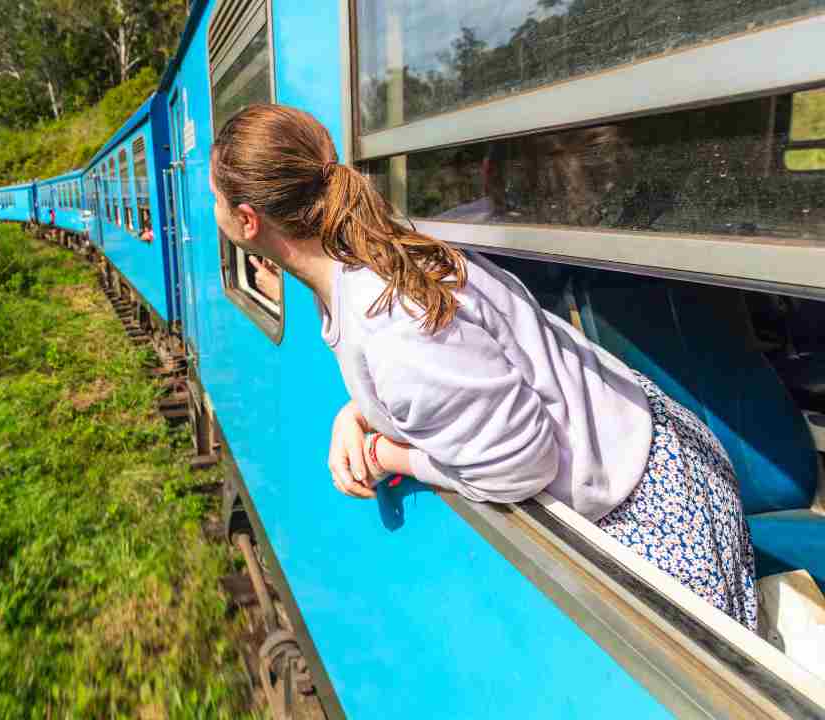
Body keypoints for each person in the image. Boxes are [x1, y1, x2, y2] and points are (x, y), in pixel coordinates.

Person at [208, 103, 757, 630]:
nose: (212, 211)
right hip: (642, 445)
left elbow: (518, 467)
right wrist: (358, 412)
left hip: (654, 505)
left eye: (216, 199)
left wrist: (384, 454)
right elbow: (461, 366)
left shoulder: (388, 324)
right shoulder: (364, 259)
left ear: (248, 220)